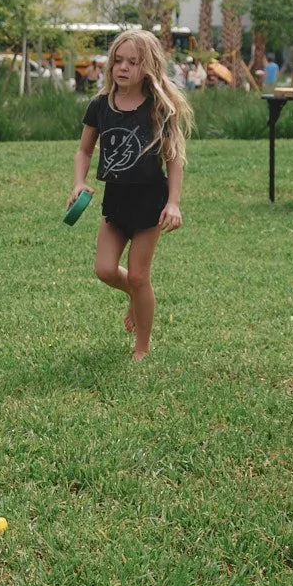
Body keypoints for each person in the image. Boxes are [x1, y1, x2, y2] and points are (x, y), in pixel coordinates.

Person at [66, 27, 191, 362]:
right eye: (118, 61)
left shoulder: (159, 108)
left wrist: (174, 203)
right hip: (116, 199)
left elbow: (174, 158)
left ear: (147, 67)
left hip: (150, 201)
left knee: (138, 276)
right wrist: (78, 183)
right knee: (105, 270)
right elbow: (84, 151)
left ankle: (142, 348)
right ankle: (137, 297)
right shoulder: (99, 105)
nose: (123, 68)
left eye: (132, 62)